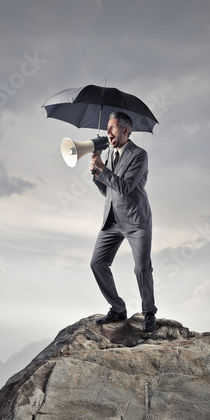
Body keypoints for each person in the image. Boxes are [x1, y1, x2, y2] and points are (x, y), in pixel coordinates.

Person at [89, 111, 157, 332]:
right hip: (112, 220)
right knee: (97, 264)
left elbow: (125, 187)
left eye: (113, 127)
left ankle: (149, 314)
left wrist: (102, 169)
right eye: (107, 127)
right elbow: (108, 191)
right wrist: (95, 174)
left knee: (142, 268)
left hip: (137, 221)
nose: (108, 131)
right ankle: (118, 308)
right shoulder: (110, 154)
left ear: (126, 130)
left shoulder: (139, 155)